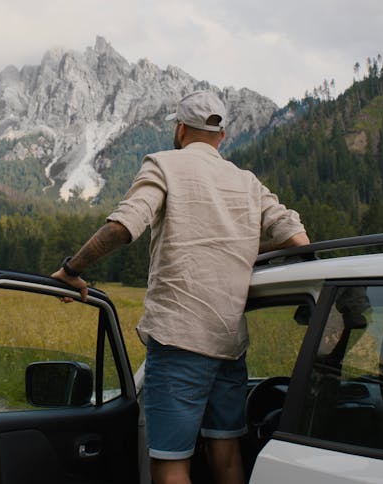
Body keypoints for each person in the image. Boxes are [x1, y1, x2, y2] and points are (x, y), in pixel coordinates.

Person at [51, 89, 309, 484]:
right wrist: (239, 247)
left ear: (180, 128)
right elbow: (296, 239)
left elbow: (124, 227)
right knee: (226, 457)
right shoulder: (248, 183)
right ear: (221, 136)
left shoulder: (165, 165)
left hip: (179, 343)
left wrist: (72, 268)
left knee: (171, 464)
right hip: (230, 346)